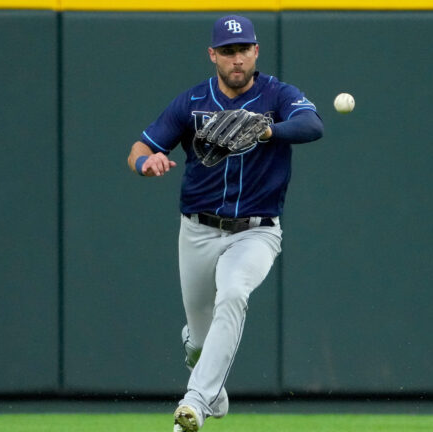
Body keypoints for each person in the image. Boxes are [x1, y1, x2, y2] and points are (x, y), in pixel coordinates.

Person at [127, 14, 324, 432]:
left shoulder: (277, 95)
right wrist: (147, 162)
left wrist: (268, 131)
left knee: (233, 293)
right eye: (228, 51)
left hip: (256, 231)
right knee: (200, 342)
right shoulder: (192, 102)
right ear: (213, 55)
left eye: (244, 49)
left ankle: (194, 404)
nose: (237, 59)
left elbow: (312, 125)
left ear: (256, 51)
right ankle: (205, 374)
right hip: (197, 231)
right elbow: (140, 147)